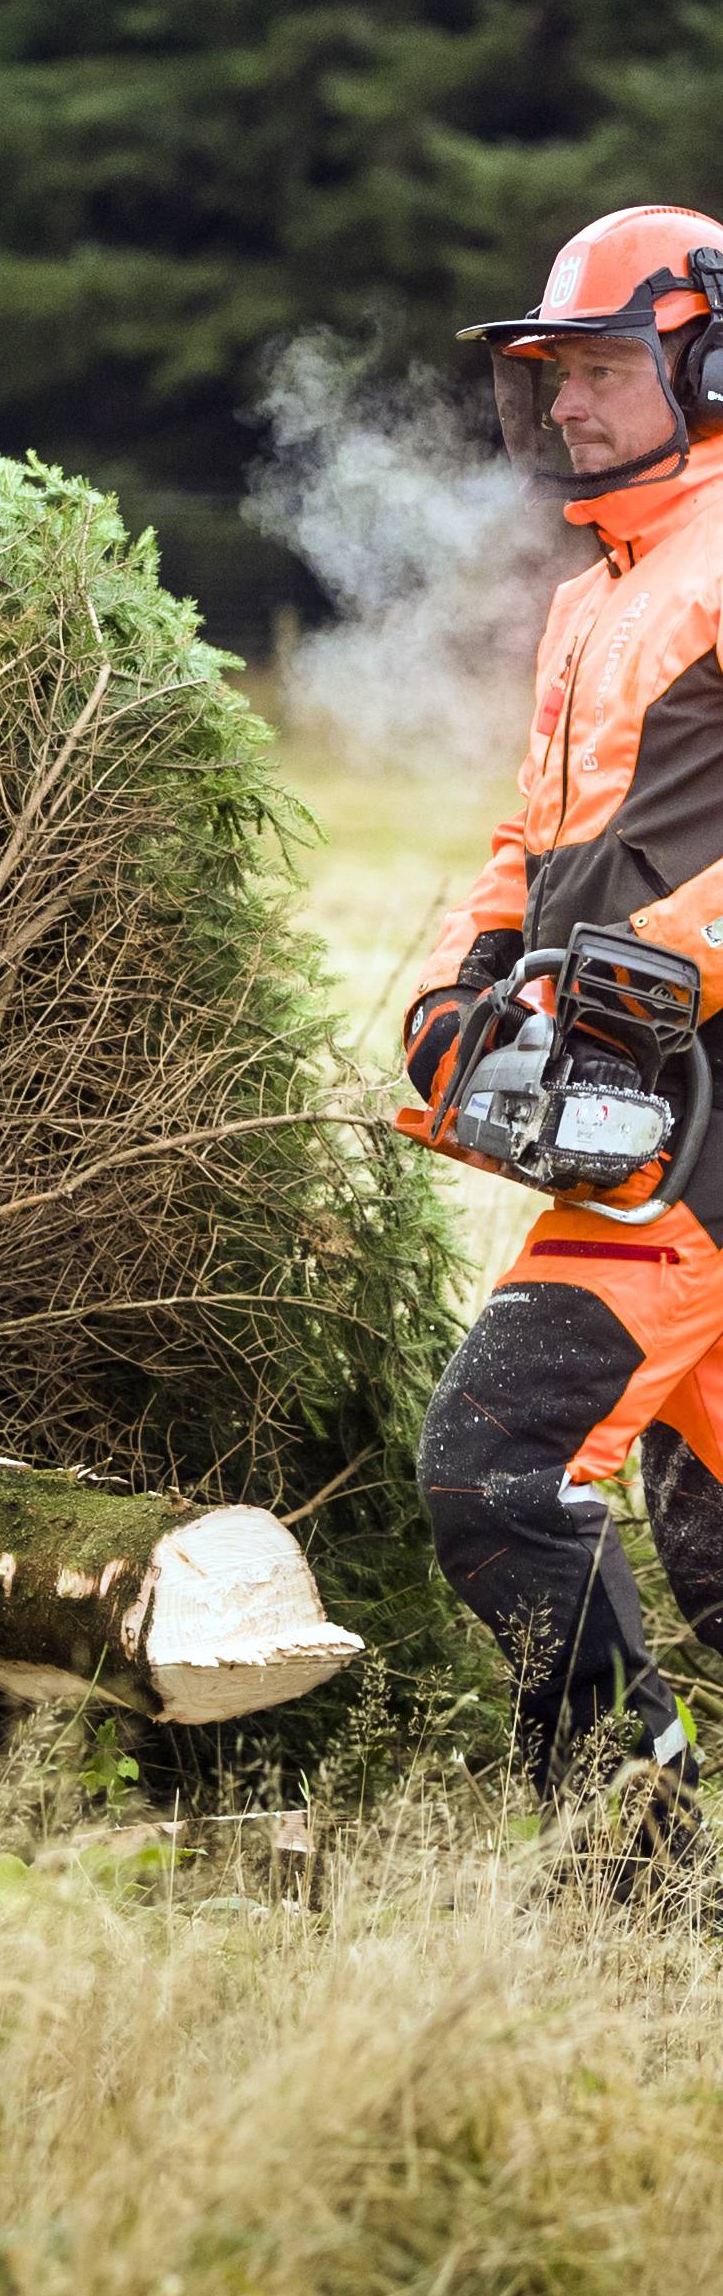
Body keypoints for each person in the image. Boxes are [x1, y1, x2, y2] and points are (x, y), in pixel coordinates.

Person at [407, 202, 723, 1890]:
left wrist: (664, 963)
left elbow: (664, 908)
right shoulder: (594, 595)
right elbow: (540, 837)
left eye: (604, 366)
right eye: (555, 373)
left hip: (701, 1127)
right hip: (646, 1109)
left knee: (501, 1469)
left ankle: (640, 1884)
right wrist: (470, 971)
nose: (573, 404)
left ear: (704, 357)